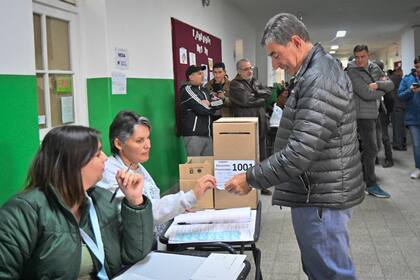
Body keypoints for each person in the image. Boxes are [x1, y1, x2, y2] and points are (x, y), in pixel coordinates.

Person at [225, 13, 364, 279]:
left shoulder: (319, 78)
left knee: (330, 273)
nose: (276, 64)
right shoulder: (315, 72)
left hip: (321, 196)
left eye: (276, 55)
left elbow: (300, 151)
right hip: (318, 191)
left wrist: (250, 178)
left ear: (297, 41)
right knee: (319, 269)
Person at [0, 126, 154, 279]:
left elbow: (134, 254)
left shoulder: (102, 199)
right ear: (74, 163)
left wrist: (135, 201)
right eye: (97, 153)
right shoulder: (23, 211)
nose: (106, 158)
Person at [97, 111, 216, 236]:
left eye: (148, 138)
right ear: (119, 144)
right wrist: (189, 197)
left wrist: (179, 209)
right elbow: (145, 214)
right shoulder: (113, 174)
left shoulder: (135, 165)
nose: (148, 145)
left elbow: (154, 202)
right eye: (139, 141)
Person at [346, 45, 394, 198]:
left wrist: (378, 85)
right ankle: (371, 184)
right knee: (372, 148)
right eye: (357, 57)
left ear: (368, 55)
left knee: (375, 147)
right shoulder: (352, 71)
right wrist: (383, 89)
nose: (359, 60)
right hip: (362, 115)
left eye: (363, 56)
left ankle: (353, 175)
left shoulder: (374, 67)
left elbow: (391, 85)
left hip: (377, 112)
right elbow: (366, 94)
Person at [230, 59, 272, 162]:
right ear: (239, 71)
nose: (250, 71)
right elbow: (246, 100)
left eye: (250, 68)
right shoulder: (235, 84)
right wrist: (261, 98)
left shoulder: (255, 81)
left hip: (261, 122)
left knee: (263, 154)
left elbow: (269, 93)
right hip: (246, 124)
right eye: (246, 69)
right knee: (248, 155)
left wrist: (256, 92)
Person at [180, 65, 223, 156]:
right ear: (190, 77)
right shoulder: (187, 90)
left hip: (207, 134)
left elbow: (220, 102)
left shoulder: (205, 90)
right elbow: (201, 110)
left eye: (202, 73)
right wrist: (211, 107)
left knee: (209, 166)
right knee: (196, 167)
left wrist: (210, 104)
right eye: (199, 74)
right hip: (194, 135)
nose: (203, 76)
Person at [398, 56, 420, 179]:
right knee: (417, 145)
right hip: (413, 118)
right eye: (417, 67)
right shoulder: (408, 79)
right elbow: (400, 95)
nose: (419, 69)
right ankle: (418, 167)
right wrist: (410, 91)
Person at [390, 67, 407, 150]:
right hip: (400, 106)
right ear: (399, 71)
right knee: (400, 127)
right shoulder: (400, 80)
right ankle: (400, 145)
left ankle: (395, 143)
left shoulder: (391, 79)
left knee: (395, 127)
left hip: (393, 106)